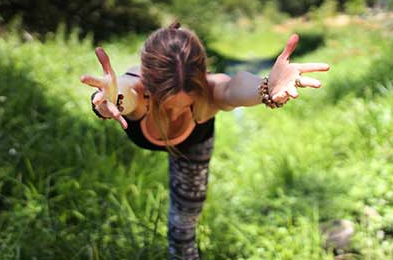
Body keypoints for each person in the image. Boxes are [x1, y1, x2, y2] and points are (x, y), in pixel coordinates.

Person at [80, 22, 330, 259]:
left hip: (194, 143)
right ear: (149, 90)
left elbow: (234, 86)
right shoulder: (135, 92)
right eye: (167, 106)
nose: (176, 113)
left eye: (185, 104)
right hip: (138, 98)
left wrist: (266, 86)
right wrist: (108, 101)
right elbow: (120, 94)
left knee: (185, 220)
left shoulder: (209, 91)